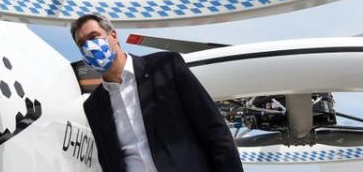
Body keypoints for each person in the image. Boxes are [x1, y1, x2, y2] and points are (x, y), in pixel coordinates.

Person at [71, 14, 243, 172]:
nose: (89, 46)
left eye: (94, 37)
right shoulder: (94, 105)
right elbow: (108, 161)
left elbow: (214, 130)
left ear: (113, 36)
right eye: (81, 44)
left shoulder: (166, 67)